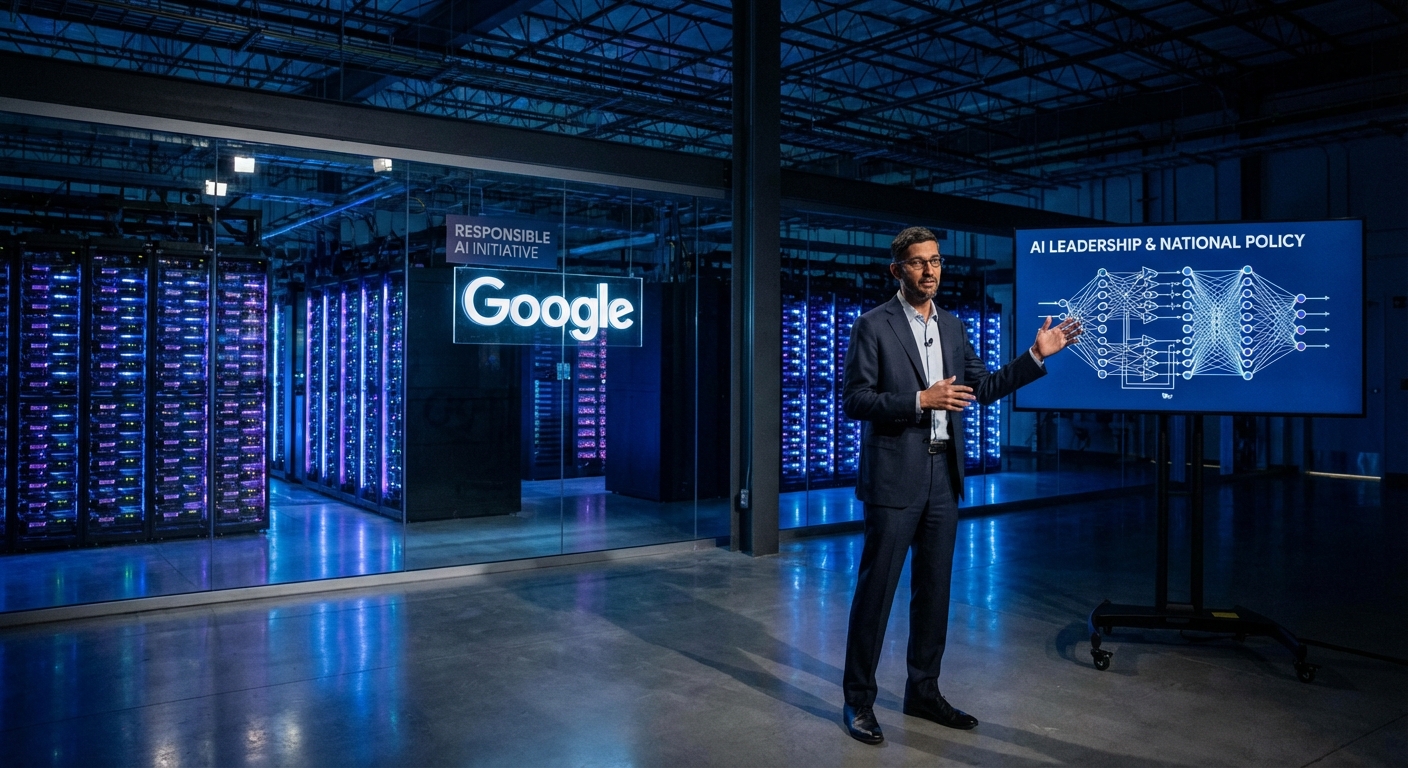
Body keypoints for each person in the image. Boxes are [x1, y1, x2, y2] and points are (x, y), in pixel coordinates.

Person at [840, 226, 1082, 744]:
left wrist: (1036, 355)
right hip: (893, 480)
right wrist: (919, 401)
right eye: (918, 262)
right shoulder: (872, 325)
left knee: (934, 593)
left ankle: (923, 691)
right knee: (876, 594)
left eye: (936, 260)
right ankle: (859, 700)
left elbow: (985, 387)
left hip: (943, 478)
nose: (930, 270)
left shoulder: (952, 327)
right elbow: (855, 400)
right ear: (897, 270)